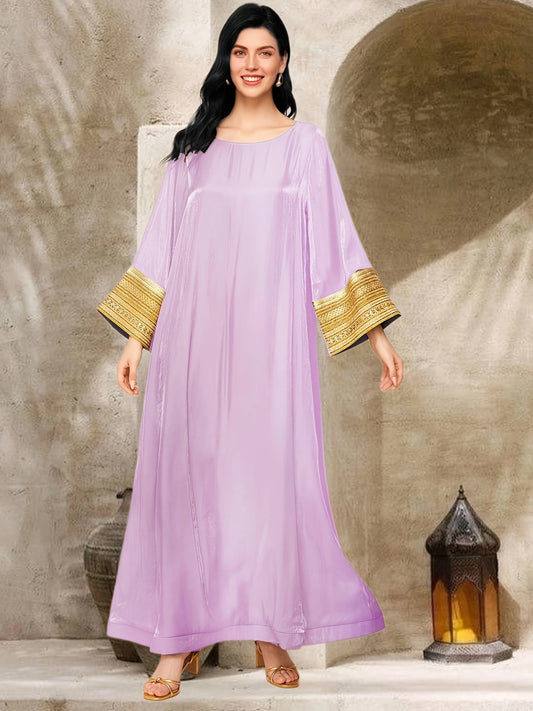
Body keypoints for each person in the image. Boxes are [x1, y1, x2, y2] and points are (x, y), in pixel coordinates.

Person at [97, 2, 403, 702]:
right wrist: (138, 340)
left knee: (266, 486)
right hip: (192, 344)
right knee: (187, 485)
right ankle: (176, 643)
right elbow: (161, 247)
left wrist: (377, 333)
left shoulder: (305, 147)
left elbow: (334, 245)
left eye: (265, 52)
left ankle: (270, 630)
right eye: (240, 51)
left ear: (283, 62)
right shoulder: (194, 149)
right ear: (226, 61)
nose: (252, 64)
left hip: (272, 345)